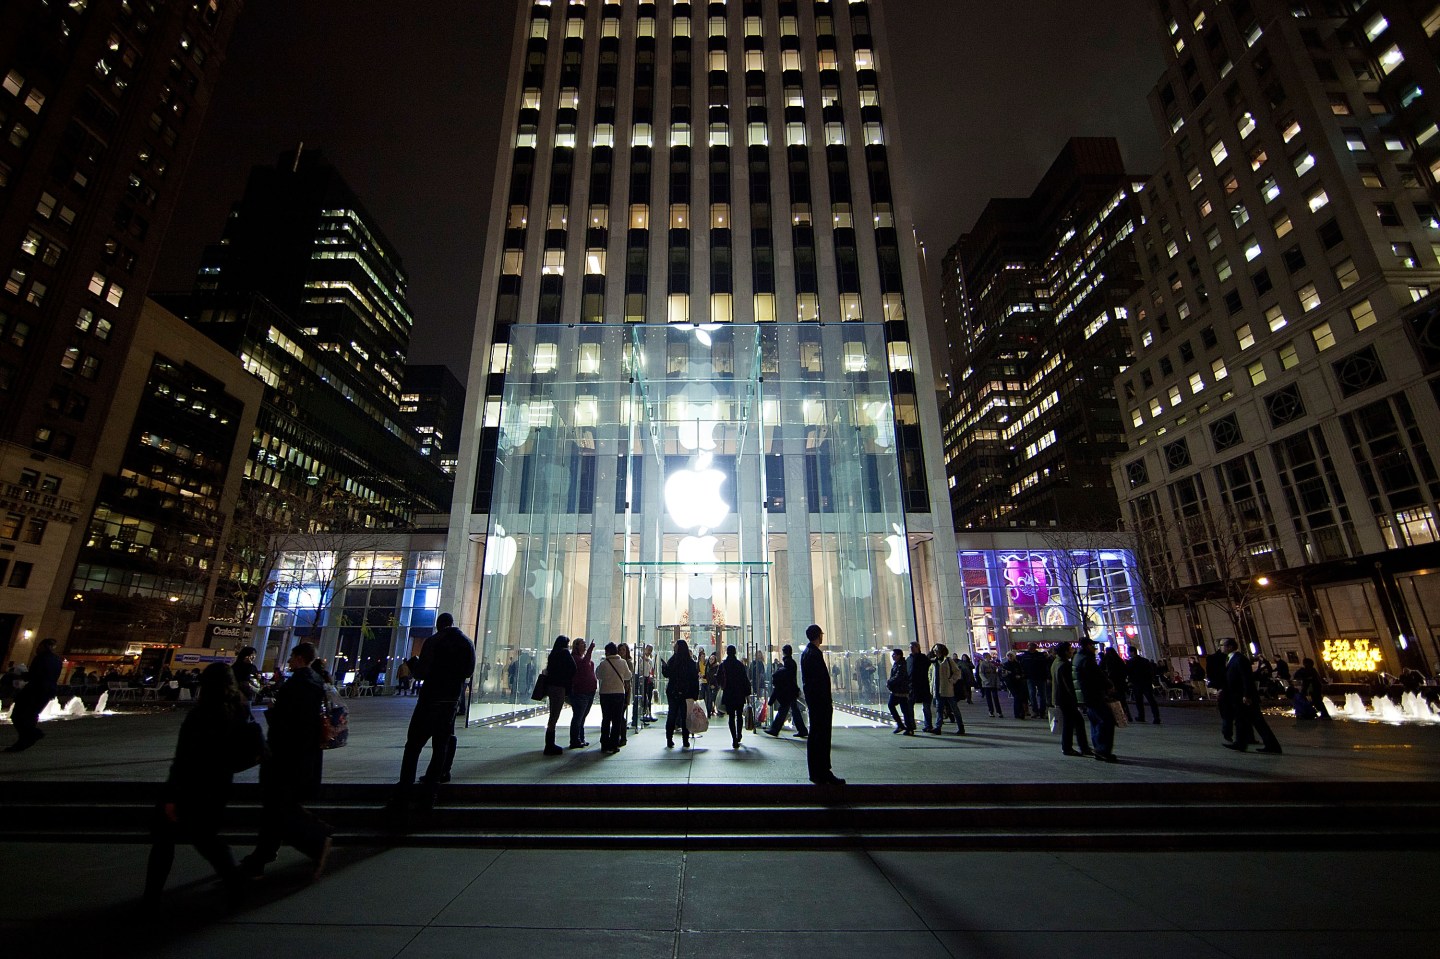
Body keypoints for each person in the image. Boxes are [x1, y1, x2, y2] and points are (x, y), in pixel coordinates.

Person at [144, 662, 259, 904]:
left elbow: (185, 755)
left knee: (168, 840)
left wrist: (172, 793)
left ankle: (152, 895)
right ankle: (237, 883)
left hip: (191, 784)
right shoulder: (239, 709)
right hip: (219, 783)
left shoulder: (203, 713)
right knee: (207, 838)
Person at [239, 642, 333, 879]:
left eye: (292, 656)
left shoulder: (300, 683)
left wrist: (273, 712)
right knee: (278, 806)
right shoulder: (314, 680)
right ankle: (263, 854)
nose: (289, 660)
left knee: (278, 806)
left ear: (300, 658)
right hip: (299, 754)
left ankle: (316, 837)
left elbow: (289, 721)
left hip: (287, 754)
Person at [395, 613, 476, 796]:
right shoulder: (467, 643)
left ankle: (404, 788)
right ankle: (432, 786)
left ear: (439, 625)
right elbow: (469, 671)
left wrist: (415, 667)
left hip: (430, 698)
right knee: (441, 745)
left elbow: (422, 672)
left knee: (414, 745)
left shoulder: (433, 641)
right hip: (450, 700)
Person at [1222, 638, 1282, 754]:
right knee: (1241, 720)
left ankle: (1272, 745)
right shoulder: (1232, 659)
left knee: (1257, 721)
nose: (1222, 648)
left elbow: (1246, 678)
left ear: (1229, 647)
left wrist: (1247, 695)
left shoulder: (1239, 659)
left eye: (1223, 645)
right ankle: (1240, 743)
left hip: (1244, 697)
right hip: (1238, 697)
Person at [800, 624, 843, 785]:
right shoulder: (814, 654)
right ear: (819, 635)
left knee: (815, 735)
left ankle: (816, 771)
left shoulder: (807, 653)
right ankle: (823, 771)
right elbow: (819, 681)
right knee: (822, 736)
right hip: (820, 701)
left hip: (815, 700)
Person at [5, 638, 61, 753]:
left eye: (38, 646)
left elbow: (34, 675)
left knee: (17, 715)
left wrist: (18, 674)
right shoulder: (57, 660)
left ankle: (32, 734)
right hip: (48, 691)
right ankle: (25, 740)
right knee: (31, 715)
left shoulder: (41, 658)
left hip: (35, 690)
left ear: (43, 646)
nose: (36, 648)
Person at [1074, 638, 1119, 763]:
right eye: (1092, 645)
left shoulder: (1078, 658)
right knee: (1106, 721)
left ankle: (1099, 748)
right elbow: (1097, 676)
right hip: (1094, 694)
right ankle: (1103, 750)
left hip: (1086, 696)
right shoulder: (1087, 660)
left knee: (1096, 721)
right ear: (1087, 646)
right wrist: (1108, 685)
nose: (1093, 648)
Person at [1050, 641, 1092, 757]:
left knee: (1071, 723)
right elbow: (1068, 684)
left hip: (1061, 698)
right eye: (1070, 649)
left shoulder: (1056, 663)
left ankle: (1073, 747)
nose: (1072, 651)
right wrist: (1076, 699)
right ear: (1065, 652)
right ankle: (1076, 747)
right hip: (1066, 699)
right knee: (1074, 723)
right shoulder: (1064, 665)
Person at [661, 639, 699, 749]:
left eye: (676, 646)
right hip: (686, 693)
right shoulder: (690, 662)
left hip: (673, 692)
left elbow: (667, 674)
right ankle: (685, 740)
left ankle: (669, 739)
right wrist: (695, 694)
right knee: (685, 716)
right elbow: (694, 679)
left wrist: (664, 667)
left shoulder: (673, 660)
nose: (674, 647)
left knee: (672, 715)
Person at [765, 644, 809, 738]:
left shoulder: (788, 663)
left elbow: (788, 677)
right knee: (793, 710)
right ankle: (801, 729)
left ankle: (775, 729)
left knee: (784, 709)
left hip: (789, 690)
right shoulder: (791, 662)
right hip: (791, 690)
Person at [542, 636, 575, 756]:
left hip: (551, 686)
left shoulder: (553, 654)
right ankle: (550, 745)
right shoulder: (564, 653)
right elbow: (573, 668)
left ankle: (549, 743)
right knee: (555, 715)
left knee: (553, 714)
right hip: (559, 686)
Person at [597, 643, 632, 753]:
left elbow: (598, 675)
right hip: (618, 693)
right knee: (617, 720)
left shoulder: (603, 663)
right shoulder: (623, 662)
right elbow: (628, 676)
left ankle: (604, 743)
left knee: (606, 719)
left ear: (607, 652)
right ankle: (613, 744)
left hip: (605, 694)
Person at [718, 645, 751, 748]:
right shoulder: (740, 665)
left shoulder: (723, 665)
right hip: (739, 693)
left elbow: (718, 678)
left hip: (728, 693)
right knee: (739, 715)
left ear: (727, 652)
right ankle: (739, 734)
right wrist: (747, 693)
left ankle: (734, 739)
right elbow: (745, 680)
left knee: (731, 717)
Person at [569, 637, 597, 749]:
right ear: (576, 646)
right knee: (578, 716)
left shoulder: (582, 658)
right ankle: (575, 739)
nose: (584, 646)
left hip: (589, 691)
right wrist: (590, 649)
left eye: (585, 644)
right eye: (582, 644)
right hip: (580, 691)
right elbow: (584, 666)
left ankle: (580, 738)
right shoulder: (575, 659)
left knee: (582, 717)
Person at [931, 644, 965, 734]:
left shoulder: (948, 660)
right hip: (937, 689)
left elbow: (957, 672)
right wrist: (932, 687)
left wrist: (952, 680)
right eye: (934, 650)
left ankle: (961, 727)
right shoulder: (933, 661)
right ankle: (938, 727)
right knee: (939, 709)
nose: (935, 651)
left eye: (936, 649)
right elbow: (931, 675)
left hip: (948, 688)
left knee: (954, 708)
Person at [1206, 644, 1233, 741]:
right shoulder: (1218, 658)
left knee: (1226, 712)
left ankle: (1229, 732)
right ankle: (1229, 732)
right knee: (1228, 711)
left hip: (1223, 687)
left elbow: (1210, 673)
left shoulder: (1213, 658)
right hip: (1226, 687)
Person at [1127, 646, 1161, 724]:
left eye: (1128, 652)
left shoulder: (1130, 662)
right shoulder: (1145, 661)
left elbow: (1129, 673)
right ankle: (1156, 717)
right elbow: (1150, 671)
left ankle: (1141, 716)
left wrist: (1130, 681)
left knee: (1139, 701)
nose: (1128, 653)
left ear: (1132, 652)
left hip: (1137, 683)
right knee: (1151, 700)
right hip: (1146, 683)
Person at [907, 641, 934, 733]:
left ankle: (928, 725)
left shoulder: (923, 658)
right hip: (912, 686)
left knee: (926, 707)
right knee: (910, 706)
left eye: (913, 647)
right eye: (910, 647)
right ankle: (911, 725)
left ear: (918, 648)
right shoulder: (909, 659)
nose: (911, 648)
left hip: (923, 686)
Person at [886, 648, 914, 734]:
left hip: (900, 690)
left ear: (899, 655)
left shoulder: (902, 665)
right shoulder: (897, 664)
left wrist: (889, 682)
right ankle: (904, 726)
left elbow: (899, 676)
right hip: (898, 689)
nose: (893, 656)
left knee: (898, 707)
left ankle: (905, 727)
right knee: (903, 709)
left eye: (894, 654)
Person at [1020, 642, 1050, 718]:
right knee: (1032, 695)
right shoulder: (1025, 656)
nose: (1030, 648)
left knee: (1042, 695)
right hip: (1030, 677)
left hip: (1040, 677)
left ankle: (1042, 711)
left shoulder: (1040, 656)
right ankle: (1036, 711)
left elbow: (1045, 666)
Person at [1102, 646, 1131, 722]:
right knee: (1122, 700)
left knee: (1113, 700)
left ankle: (1117, 717)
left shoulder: (1107, 661)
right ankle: (1127, 715)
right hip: (1121, 683)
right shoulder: (1119, 660)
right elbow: (1125, 671)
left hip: (1112, 683)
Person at [617, 642, 634, 744]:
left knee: (620, 714)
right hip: (618, 689)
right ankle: (620, 735)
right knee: (618, 714)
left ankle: (623, 736)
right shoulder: (617, 661)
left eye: (623, 650)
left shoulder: (628, 662)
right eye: (620, 650)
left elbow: (629, 677)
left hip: (625, 690)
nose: (621, 652)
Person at [1001, 651, 1027, 719]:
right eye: (1009, 656)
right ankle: (1018, 713)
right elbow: (1004, 675)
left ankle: (1020, 712)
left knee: (1019, 697)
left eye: (1011, 656)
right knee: (1017, 697)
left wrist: (1020, 676)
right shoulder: (1005, 665)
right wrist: (1013, 676)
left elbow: (1022, 672)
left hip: (1019, 682)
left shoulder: (1018, 664)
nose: (1010, 657)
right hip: (1011, 683)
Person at [977, 652, 1003, 717]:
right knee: (989, 698)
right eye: (988, 656)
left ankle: (998, 711)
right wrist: (985, 681)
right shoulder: (982, 664)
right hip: (987, 684)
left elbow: (995, 673)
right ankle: (991, 711)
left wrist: (997, 682)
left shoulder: (992, 664)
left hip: (993, 682)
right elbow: (981, 673)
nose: (990, 657)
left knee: (995, 697)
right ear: (985, 657)